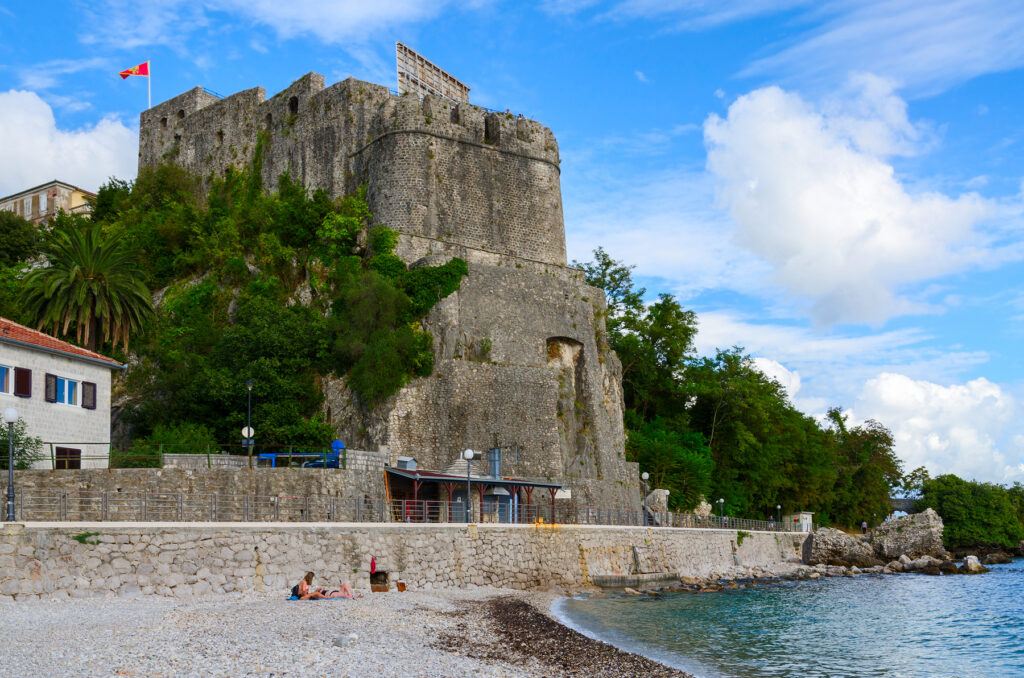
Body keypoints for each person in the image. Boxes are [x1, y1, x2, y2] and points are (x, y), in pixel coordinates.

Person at [293, 572, 360, 600]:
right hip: (303, 597)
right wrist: (307, 593)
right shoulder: (304, 582)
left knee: (345, 584)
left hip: (333, 592)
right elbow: (304, 591)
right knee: (316, 593)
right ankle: (350, 597)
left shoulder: (302, 581)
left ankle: (350, 595)